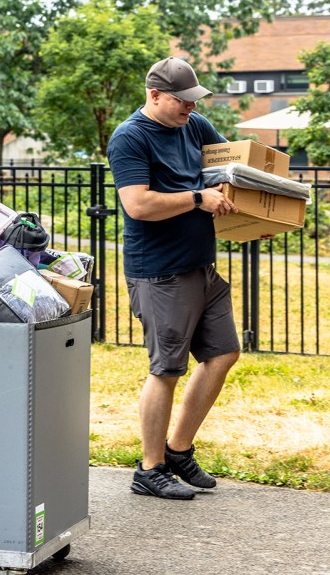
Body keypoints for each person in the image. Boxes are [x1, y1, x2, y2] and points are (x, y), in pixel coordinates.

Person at [106, 57, 241, 501]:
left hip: (201, 264)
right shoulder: (130, 137)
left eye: (193, 100)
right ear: (155, 95)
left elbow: (228, 166)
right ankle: (149, 469)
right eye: (182, 100)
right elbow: (139, 205)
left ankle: (178, 450)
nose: (189, 107)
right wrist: (198, 198)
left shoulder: (195, 126)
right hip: (159, 271)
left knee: (223, 353)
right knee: (166, 369)